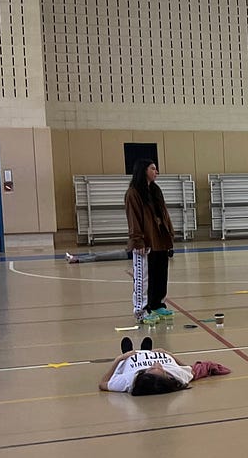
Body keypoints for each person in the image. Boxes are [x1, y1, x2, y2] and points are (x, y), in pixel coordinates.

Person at [125, 159, 176, 326]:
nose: (156, 171)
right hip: (144, 243)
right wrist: (137, 240)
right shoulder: (133, 193)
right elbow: (134, 219)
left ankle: (156, 304)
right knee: (143, 278)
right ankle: (141, 311)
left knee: (160, 275)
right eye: (153, 168)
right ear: (143, 170)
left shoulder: (155, 190)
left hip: (159, 240)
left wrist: (169, 236)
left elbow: (164, 214)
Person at [98, 336, 230, 395]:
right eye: (159, 368)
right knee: (149, 349)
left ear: (143, 373)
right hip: (159, 353)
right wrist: (169, 355)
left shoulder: (129, 380)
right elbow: (190, 370)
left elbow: (103, 383)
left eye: (151, 368)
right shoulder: (177, 376)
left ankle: (132, 351)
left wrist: (119, 359)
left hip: (132, 359)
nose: (156, 364)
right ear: (167, 375)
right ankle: (147, 350)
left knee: (128, 355)